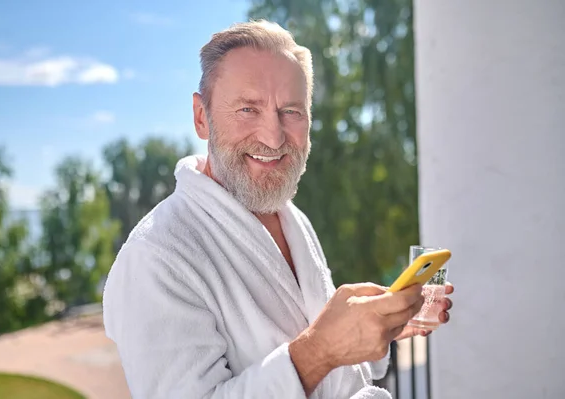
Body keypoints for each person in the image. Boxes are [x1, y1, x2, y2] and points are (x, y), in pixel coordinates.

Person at [102, 20, 454, 399]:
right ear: (201, 117)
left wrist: (375, 326)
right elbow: (316, 350)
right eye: (248, 109)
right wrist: (321, 350)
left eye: (291, 111)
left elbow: (328, 366)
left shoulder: (290, 218)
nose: (273, 137)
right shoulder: (155, 257)